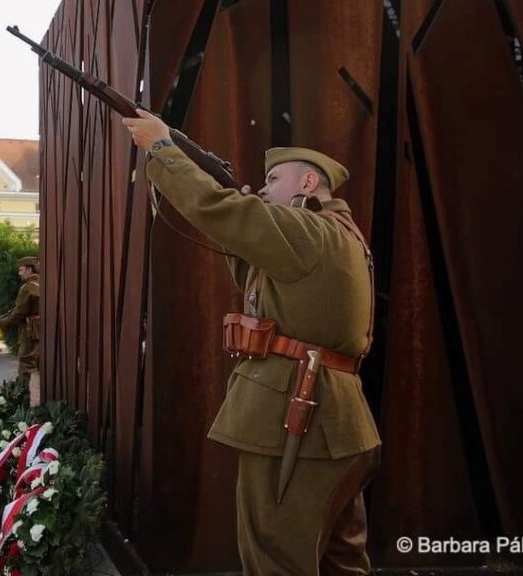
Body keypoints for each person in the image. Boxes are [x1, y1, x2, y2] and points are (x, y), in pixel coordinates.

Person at [123, 110, 381, 575]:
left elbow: (220, 210)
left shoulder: (312, 232)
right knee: (341, 561)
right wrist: (244, 230)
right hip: (328, 423)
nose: (262, 188)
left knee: (276, 561)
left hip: (299, 420)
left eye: (274, 178)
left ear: (307, 183)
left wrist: (162, 149)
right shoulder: (332, 236)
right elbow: (261, 284)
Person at [0, 256, 41, 383]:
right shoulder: (44, 284)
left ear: (29, 270)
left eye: (21, 270)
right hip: (43, 331)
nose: (19, 273)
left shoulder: (26, 288)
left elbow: (18, 315)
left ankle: (23, 399)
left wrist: (0, 323)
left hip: (30, 332)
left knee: (25, 367)